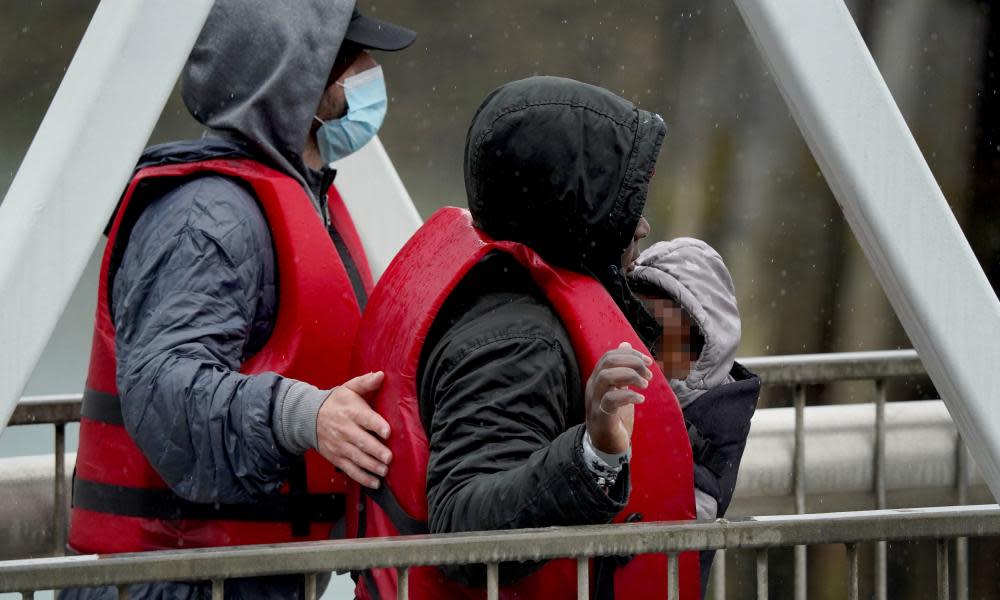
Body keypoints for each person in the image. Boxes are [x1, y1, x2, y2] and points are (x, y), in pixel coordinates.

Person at [64, 2, 414, 598]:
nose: (369, 71)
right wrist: (301, 414)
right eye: (353, 59)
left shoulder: (305, 198)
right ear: (298, 82)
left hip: (240, 576)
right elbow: (162, 388)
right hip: (177, 581)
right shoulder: (206, 217)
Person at [347, 76, 700, 599]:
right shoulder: (516, 339)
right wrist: (592, 457)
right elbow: (462, 524)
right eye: (622, 205)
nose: (643, 227)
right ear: (569, 209)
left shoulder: (503, 295)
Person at [629, 238, 761, 596]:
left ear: (702, 348)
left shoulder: (711, 431)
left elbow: (669, 526)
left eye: (657, 337)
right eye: (634, 329)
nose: (643, 352)